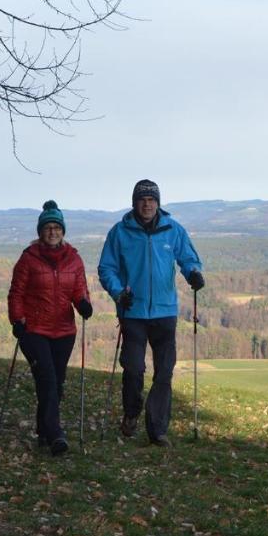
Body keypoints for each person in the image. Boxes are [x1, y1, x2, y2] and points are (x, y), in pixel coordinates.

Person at [98, 179, 204, 446]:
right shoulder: (120, 232)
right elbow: (106, 268)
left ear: (158, 203)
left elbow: (188, 258)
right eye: (142, 199)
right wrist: (118, 291)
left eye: (152, 199)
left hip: (165, 311)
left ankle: (157, 430)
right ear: (135, 202)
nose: (147, 204)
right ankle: (132, 413)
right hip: (132, 310)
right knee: (134, 369)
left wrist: (193, 273)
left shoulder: (172, 230)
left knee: (164, 372)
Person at [8, 201, 93, 455]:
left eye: (57, 227)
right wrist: (17, 320)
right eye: (48, 228)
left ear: (63, 231)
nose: (53, 232)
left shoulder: (74, 260)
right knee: (47, 378)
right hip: (34, 330)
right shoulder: (28, 259)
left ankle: (44, 430)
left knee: (56, 383)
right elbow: (16, 293)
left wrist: (83, 304)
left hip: (64, 331)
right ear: (40, 231)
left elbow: (79, 290)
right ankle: (56, 434)